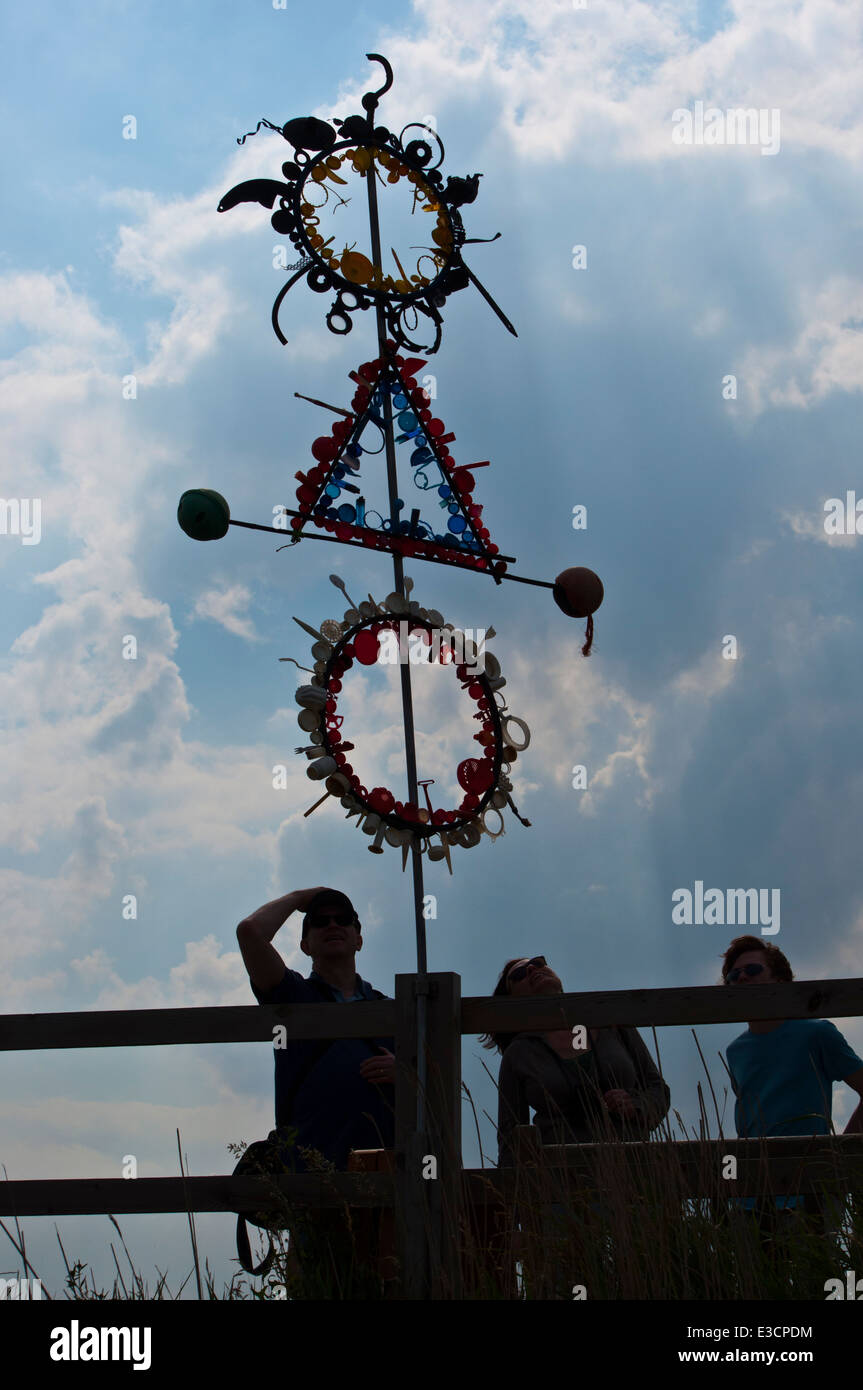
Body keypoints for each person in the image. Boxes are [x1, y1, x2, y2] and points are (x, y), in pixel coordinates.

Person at [236, 886, 395, 1293]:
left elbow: (437, 1091)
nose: (332, 924)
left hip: (392, 1188)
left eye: (343, 919)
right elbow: (250, 932)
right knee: (320, 1288)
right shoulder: (292, 995)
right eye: (319, 921)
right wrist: (301, 897)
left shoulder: (392, 1009)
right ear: (304, 944)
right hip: (314, 1183)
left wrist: (408, 1071)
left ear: (360, 937)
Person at [721, 935, 863, 1234]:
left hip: (810, 1189)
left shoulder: (817, 1033)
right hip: (751, 1195)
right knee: (754, 1280)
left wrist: (841, 1150)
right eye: (734, 976)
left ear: (782, 980)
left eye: (753, 970)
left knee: (813, 1276)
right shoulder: (736, 1051)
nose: (742, 977)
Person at [481, 955, 670, 1166]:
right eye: (518, 974)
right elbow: (510, 1135)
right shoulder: (520, 1053)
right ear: (512, 1000)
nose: (533, 969)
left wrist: (635, 1107)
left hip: (633, 1167)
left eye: (539, 962)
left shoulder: (611, 1024)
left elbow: (657, 1088)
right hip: (562, 1177)